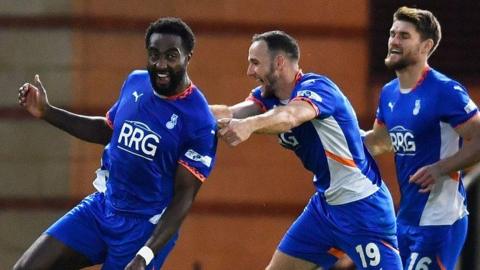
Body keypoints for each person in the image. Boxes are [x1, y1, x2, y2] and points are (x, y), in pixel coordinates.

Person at [14, 17, 217, 270]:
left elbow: (183, 198)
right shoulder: (136, 81)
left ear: (188, 56)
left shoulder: (200, 121)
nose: (161, 64)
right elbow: (107, 130)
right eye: (154, 55)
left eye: (171, 56)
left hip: (143, 228)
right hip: (103, 207)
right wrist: (47, 111)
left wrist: (145, 255)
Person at [211, 31, 402, 269]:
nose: (250, 72)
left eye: (255, 63)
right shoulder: (267, 97)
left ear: (279, 62)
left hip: (363, 208)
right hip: (324, 209)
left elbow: (290, 116)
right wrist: (181, 110)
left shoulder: (318, 87)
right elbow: (230, 113)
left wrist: (250, 126)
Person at [364, 6, 480, 270]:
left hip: (441, 221)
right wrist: (332, 138)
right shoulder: (389, 93)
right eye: (392, 34)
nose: (393, 41)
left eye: (404, 36)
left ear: (426, 46)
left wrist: (441, 168)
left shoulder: (445, 90)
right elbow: (381, 141)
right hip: (405, 220)